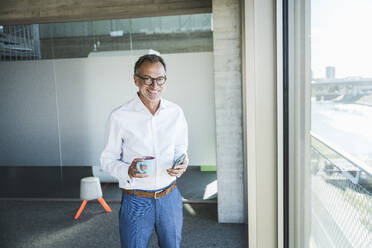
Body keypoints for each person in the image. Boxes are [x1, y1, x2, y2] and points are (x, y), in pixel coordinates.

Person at [100, 54, 188, 248]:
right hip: (136, 199)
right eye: (148, 78)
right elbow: (107, 159)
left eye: (160, 79)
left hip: (170, 197)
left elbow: (181, 147)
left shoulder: (176, 113)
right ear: (136, 79)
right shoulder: (119, 116)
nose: (154, 85)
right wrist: (127, 171)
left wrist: (182, 162)